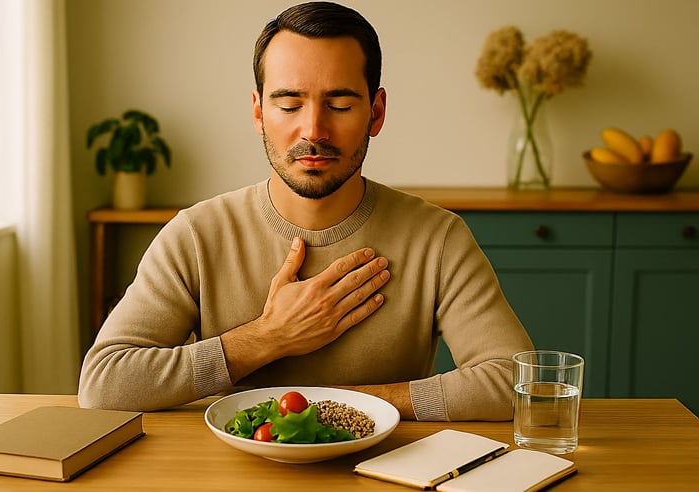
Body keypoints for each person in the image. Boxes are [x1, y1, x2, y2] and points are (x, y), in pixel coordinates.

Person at [78, 1, 533, 421]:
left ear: (376, 112)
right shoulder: (197, 235)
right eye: (289, 103)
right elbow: (104, 383)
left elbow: (518, 383)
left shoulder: (438, 238)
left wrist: (349, 405)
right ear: (258, 112)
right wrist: (269, 336)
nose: (313, 129)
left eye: (339, 104)